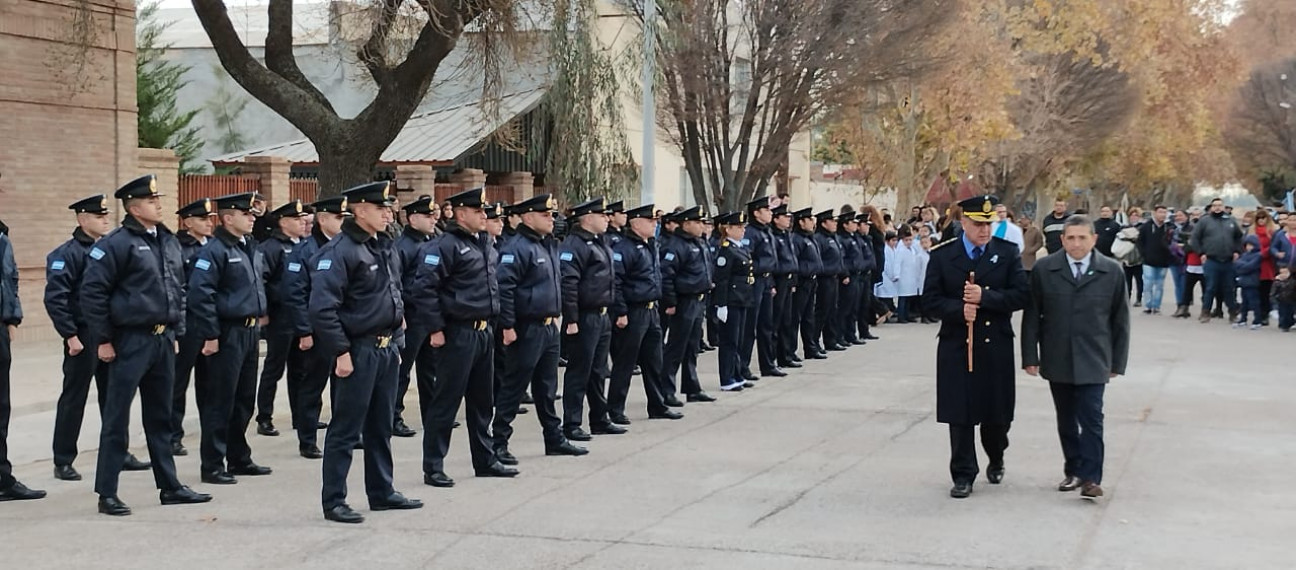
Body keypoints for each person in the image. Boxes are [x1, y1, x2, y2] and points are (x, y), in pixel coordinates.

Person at [80, 174, 211, 515]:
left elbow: (179, 290)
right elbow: (93, 294)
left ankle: (169, 486)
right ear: (135, 207)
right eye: (152, 201)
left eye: (158, 200)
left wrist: (176, 332)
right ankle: (107, 492)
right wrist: (104, 340)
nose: (159, 205)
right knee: (116, 418)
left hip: (162, 340)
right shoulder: (115, 244)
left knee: (161, 417)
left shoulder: (167, 240)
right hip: (129, 341)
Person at [309, 181, 422, 523]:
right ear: (358, 210)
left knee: (380, 424)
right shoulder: (340, 251)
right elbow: (323, 309)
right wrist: (341, 352)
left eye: (388, 207)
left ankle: (382, 490)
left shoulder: (383, 247)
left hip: (386, 348)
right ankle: (334, 500)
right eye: (380, 207)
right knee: (346, 427)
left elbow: (394, 296)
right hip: (357, 350)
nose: (388, 213)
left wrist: (398, 344)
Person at [921, 194, 1029, 499]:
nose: (984, 231)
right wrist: (957, 310)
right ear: (963, 223)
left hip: (995, 345)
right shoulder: (943, 256)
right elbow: (929, 301)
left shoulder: (1006, 253)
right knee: (961, 412)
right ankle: (963, 473)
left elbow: (1021, 295)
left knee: (996, 417)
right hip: (957, 346)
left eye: (989, 224)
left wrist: (986, 298)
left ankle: (996, 455)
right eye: (978, 224)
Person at [411, 188, 518, 487]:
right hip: (458, 333)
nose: (485, 215)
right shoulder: (444, 246)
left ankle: (484, 459)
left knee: (482, 401)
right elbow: (424, 289)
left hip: (484, 331)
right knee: (446, 402)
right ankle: (433, 466)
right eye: (478, 211)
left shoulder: (485, 243)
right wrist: (435, 329)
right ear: (460, 214)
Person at [1021, 214, 1130, 500]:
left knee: (1092, 417)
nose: (1077, 243)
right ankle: (1073, 469)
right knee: (1066, 418)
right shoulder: (1046, 269)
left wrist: (1117, 362)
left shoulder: (1111, 271)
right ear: (1062, 240)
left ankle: (1092, 477)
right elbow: (1032, 315)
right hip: (1058, 356)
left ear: (1094, 239)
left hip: (1095, 357)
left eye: (1083, 237)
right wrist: (1030, 355)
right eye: (1071, 238)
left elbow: (1120, 321)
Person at [47, 195, 150, 481]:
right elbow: (57, 299)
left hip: (110, 333)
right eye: (98, 216)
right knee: (74, 398)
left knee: (115, 397)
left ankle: (120, 452)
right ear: (82, 220)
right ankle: (63, 459)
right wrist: (69, 334)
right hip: (83, 335)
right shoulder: (66, 254)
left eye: (106, 215)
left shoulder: (109, 249)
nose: (105, 220)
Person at [494, 194, 588, 463]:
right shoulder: (518, 247)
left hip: (549, 327)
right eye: (545, 215)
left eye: (552, 215)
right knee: (514, 386)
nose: (551, 219)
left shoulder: (547, 245)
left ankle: (554, 437)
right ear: (528, 217)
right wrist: (508, 325)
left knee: (547, 388)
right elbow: (506, 288)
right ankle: (499, 441)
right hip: (527, 328)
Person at [188, 192, 272, 485]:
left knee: (244, 398)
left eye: (251, 214)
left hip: (249, 331)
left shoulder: (249, 246)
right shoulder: (214, 251)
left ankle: (239, 457)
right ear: (227, 218)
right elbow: (201, 295)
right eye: (245, 214)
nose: (251, 218)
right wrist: (210, 334)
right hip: (226, 333)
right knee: (220, 400)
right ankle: (212, 464)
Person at [283, 196, 348, 459]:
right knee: (312, 386)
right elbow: (295, 294)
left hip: (341, 328)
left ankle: (344, 435)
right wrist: (304, 331)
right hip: (317, 330)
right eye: (339, 217)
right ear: (323, 219)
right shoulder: (305, 250)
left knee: (343, 385)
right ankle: (307, 439)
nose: (343, 223)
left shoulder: (344, 247)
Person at [609, 204, 683, 421]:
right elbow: (616, 282)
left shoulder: (650, 245)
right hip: (634, 311)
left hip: (652, 310)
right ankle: (615, 409)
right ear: (636, 223)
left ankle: (657, 405)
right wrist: (621, 311)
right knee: (626, 362)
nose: (654, 225)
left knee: (654, 361)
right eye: (650, 221)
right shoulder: (624, 248)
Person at [559, 198, 623, 440]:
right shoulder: (575, 245)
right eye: (602, 215)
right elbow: (569, 284)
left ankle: (599, 417)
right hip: (585, 317)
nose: (607, 218)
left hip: (602, 314)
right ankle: (572, 423)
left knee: (598, 370)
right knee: (579, 370)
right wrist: (572, 319)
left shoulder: (599, 242)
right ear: (587, 217)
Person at [255, 200, 311, 438]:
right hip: (280, 317)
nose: (302, 223)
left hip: (301, 316)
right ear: (283, 222)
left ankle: (301, 416)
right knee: (274, 368)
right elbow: (262, 281)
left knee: (300, 369)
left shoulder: (304, 245)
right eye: (297, 220)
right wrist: (265, 311)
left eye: (303, 219)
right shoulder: (272, 247)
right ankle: (264, 416)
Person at [0, 197, 44, 502]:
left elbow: (11, 279)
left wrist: (11, 318)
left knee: (1, 408)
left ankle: (2, 478)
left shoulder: (2, 237)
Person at [171, 198, 218, 456]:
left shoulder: (213, 247)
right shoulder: (178, 248)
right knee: (178, 382)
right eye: (203, 219)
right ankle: (172, 434)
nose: (209, 223)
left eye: (210, 219)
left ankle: (209, 431)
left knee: (209, 383)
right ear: (188, 222)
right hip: (188, 324)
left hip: (209, 324)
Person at [393, 196, 439, 439]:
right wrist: (400, 315)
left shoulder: (431, 242)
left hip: (428, 316)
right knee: (403, 369)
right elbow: (396, 284)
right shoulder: (403, 247)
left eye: (433, 216)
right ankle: (394, 416)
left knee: (430, 368)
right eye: (427, 216)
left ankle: (431, 414)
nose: (433, 220)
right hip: (411, 316)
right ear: (412, 219)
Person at [661, 206, 716, 404]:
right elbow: (666, 276)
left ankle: (692, 387)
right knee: (676, 347)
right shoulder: (675, 245)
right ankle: (666, 390)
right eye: (698, 222)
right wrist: (671, 302)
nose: (702, 226)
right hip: (683, 301)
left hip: (699, 299)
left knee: (692, 347)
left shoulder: (699, 242)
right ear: (686, 224)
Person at [712, 211, 756, 392]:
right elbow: (722, 279)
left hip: (742, 299)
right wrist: (721, 304)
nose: (742, 230)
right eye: (738, 227)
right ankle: (727, 377)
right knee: (729, 340)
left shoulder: (740, 248)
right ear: (728, 229)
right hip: (731, 300)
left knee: (738, 339)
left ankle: (737, 374)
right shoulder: (726, 250)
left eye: (743, 227)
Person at [742, 196, 784, 379]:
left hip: (766, 281)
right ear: (756, 213)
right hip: (755, 281)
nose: (770, 213)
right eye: (766, 210)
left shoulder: (766, 231)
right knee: (749, 326)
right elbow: (746, 260)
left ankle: (768, 364)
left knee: (767, 325)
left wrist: (771, 282)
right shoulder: (751, 232)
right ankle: (743, 367)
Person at [1190, 198, 1244, 323]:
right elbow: (1195, 239)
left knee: (1230, 288)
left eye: (1220, 205)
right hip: (1211, 260)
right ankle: (1205, 312)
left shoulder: (1231, 221)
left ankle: (1232, 313)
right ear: (1211, 207)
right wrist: (1201, 253)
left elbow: (1239, 238)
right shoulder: (1205, 221)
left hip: (1228, 261)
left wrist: (1237, 251)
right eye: (1215, 205)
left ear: (1224, 207)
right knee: (1210, 287)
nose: (1218, 208)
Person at [769, 205, 802, 369]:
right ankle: (773, 357)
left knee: (787, 320)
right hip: (779, 280)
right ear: (776, 219)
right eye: (784, 217)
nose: (788, 219)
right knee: (776, 321)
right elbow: (773, 263)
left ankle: (786, 355)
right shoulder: (773, 236)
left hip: (788, 280)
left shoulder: (786, 235)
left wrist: (794, 281)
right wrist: (772, 284)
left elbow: (792, 260)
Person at [790, 208, 824, 359]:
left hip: (812, 280)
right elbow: (795, 262)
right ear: (801, 222)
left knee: (809, 317)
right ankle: (791, 350)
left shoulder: (810, 238)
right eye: (809, 220)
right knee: (795, 317)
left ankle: (810, 348)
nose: (812, 223)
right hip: (802, 282)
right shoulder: (797, 239)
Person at [813, 210, 847, 351]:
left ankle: (830, 340)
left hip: (835, 278)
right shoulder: (819, 238)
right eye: (831, 221)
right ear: (824, 223)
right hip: (824, 279)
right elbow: (819, 260)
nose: (834, 224)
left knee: (832, 310)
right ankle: (814, 342)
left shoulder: (834, 237)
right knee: (822, 311)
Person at [1136, 205, 1173, 315]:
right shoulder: (1146, 226)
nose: (1162, 214)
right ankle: (1148, 305)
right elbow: (1139, 242)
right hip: (1148, 261)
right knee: (1148, 283)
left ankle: (1156, 306)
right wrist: (1144, 254)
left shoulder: (1168, 228)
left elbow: (1173, 242)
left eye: (1164, 212)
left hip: (1163, 261)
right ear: (1155, 213)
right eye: (1160, 212)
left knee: (1159, 285)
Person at [1249, 209, 1279, 326]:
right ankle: (1258, 314)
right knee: (1255, 291)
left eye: (1263, 218)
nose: (1261, 220)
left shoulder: (1272, 231)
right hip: (1254, 263)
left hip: (1267, 264)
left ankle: (1265, 314)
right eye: (1259, 218)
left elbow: (1273, 246)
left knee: (1265, 291)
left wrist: (1263, 253)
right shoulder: (1251, 231)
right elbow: (1246, 244)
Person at [1234, 236, 1264, 330]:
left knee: (1254, 302)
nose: (1248, 247)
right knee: (1244, 303)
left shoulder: (1258, 255)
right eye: (1247, 245)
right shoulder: (1244, 255)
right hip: (1243, 281)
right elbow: (1237, 264)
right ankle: (1243, 319)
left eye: (1251, 245)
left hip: (1252, 282)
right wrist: (1242, 266)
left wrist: (1241, 266)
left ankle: (1257, 320)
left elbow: (1250, 266)